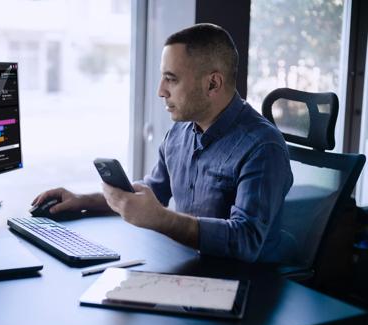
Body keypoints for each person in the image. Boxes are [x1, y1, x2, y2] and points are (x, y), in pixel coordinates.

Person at [33, 23, 293, 263]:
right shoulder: (180, 131)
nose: (161, 91)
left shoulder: (263, 147)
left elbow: (245, 242)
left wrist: (161, 219)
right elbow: (153, 191)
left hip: (247, 288)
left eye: (172, 79)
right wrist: (82, 200)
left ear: (213, 83)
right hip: (190, 270)